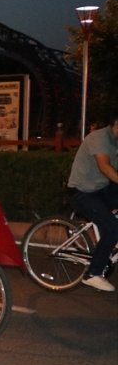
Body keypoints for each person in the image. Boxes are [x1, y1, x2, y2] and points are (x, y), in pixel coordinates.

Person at [66, 113, 118, 292]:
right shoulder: (100, 138)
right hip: (82, 193)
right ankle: (92, 274)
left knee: (111, 228)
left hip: (100, 190)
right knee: (112, 228)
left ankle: (110, 242)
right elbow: (105, 166)